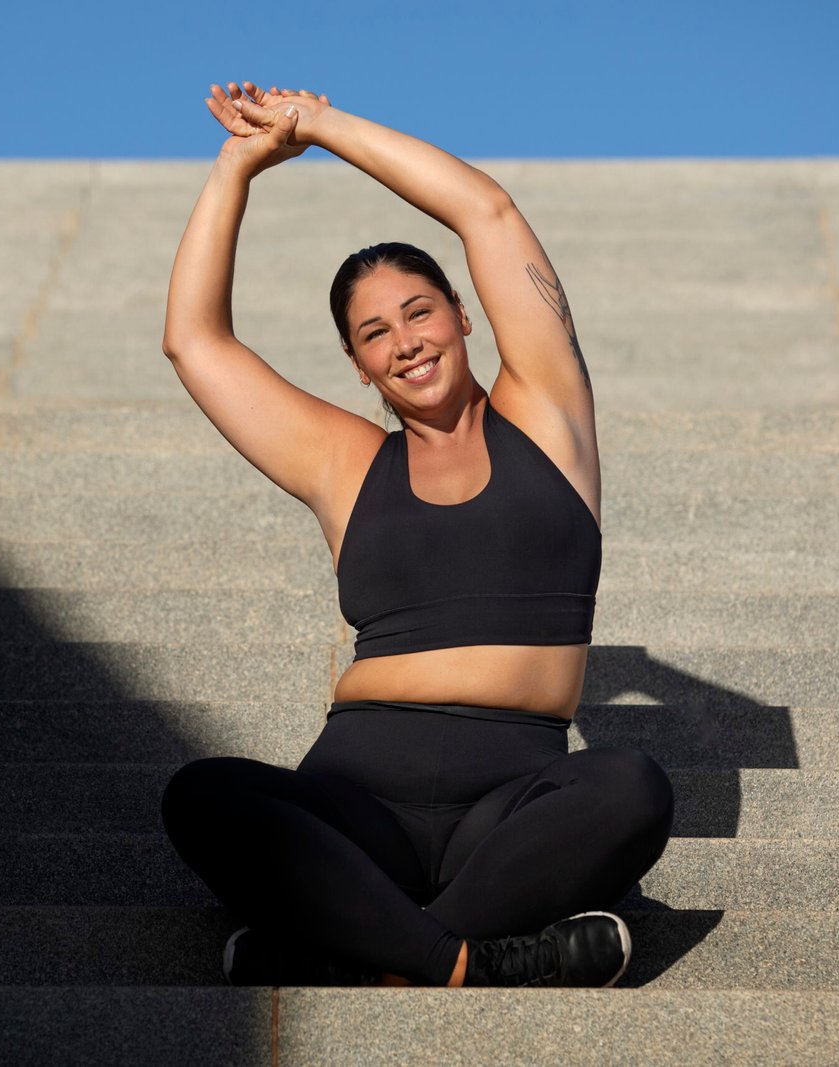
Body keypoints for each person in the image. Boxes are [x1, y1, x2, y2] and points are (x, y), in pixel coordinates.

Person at [159, 81, 673, 988]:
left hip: (510, 802)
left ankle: (355, 947)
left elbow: (486, 208)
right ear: (358, 367)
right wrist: (237, 166)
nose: (404, 341)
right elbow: (195, 343)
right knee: (201, 796)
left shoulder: (547, 414)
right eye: (373, 334)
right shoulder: (345, 464)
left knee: (633, 787)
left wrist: (317, 125)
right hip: (357, 798)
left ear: (466, 314)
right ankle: (467, 957)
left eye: (419, 311)